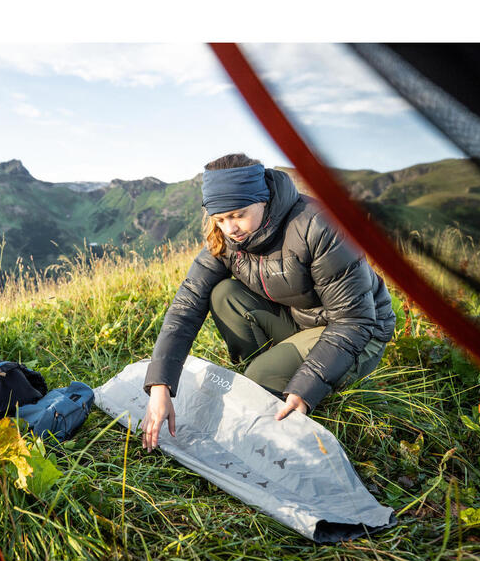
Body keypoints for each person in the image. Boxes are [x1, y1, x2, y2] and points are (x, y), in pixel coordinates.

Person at [141, 153, 396, 451]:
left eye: (238, 215)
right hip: (302, 320)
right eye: (221, 219)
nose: (230, 228)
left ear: (263, 199)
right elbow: (187, 305)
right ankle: (269, 375)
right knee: (223, 294)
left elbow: (354, 320)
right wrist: (161, 386)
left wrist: (306, 387)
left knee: (257, 379)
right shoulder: (226, 237)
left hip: (359, 332)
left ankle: (269, 379)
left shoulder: (318, 225)